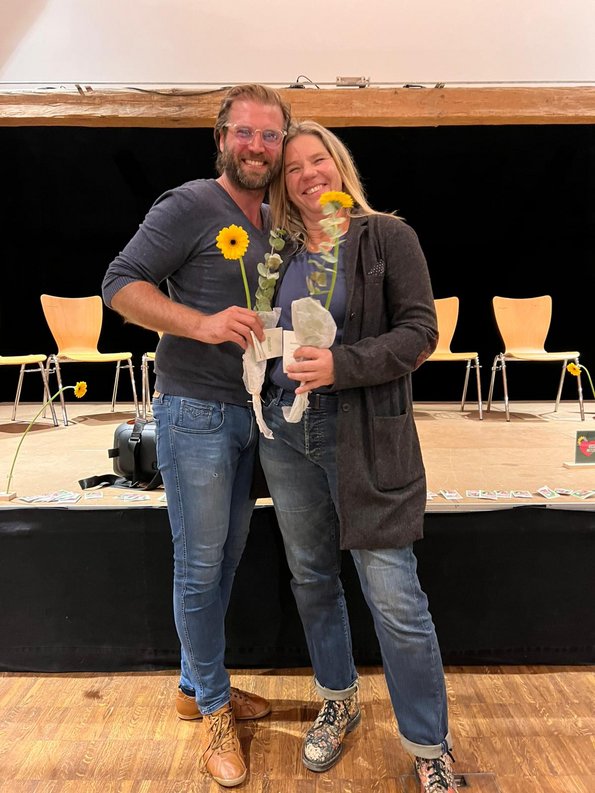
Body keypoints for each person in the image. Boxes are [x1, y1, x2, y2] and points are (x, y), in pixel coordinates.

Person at [259, 120, 459, 793]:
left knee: (393, 596)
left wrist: (340, 365)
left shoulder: (386, 237)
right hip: (287, 436)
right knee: (312, 579)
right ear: (282, 184)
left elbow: (420, 332)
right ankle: (337, 700)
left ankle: (429, 747)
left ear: (339, 165)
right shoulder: (275, 251)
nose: (308, 175)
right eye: (293, 169)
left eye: (318, 160)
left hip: (366, 432)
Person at [102, 84, 291, 789]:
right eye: (243, 132)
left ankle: (193, 682)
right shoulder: (188, 205)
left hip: (253, 414)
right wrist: (202, 323)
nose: (256, 146)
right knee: (199, 566)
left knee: (225, 559)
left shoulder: (277, 218)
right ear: (220, 137)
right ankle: (214, 706)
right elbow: (119, 284)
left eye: (270, 136)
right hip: (195, 413)